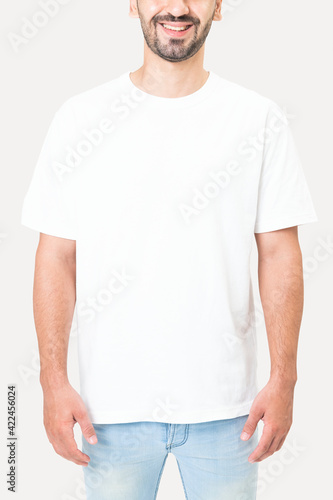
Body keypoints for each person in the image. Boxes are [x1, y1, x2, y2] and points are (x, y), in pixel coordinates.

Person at [21, 1, 318, 499]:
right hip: (109, 414)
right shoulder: (81, 118)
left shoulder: (257, 120)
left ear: (218, 7)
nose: (177, 7)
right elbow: (56, 257)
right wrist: (52, 381)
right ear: (133, 4)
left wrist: (285, 377)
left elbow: (279, 255)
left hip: (228, 415)